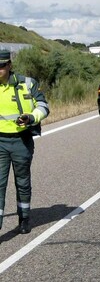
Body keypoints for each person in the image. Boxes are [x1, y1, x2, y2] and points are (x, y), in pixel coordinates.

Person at [0, 50, 49, 234]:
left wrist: (30, 117)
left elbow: (43, 106)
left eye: (1, 66)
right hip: (0, 141)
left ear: (9, 65)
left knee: (22, 181)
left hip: (21, 140)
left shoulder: (27, 84)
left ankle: (24, 218)